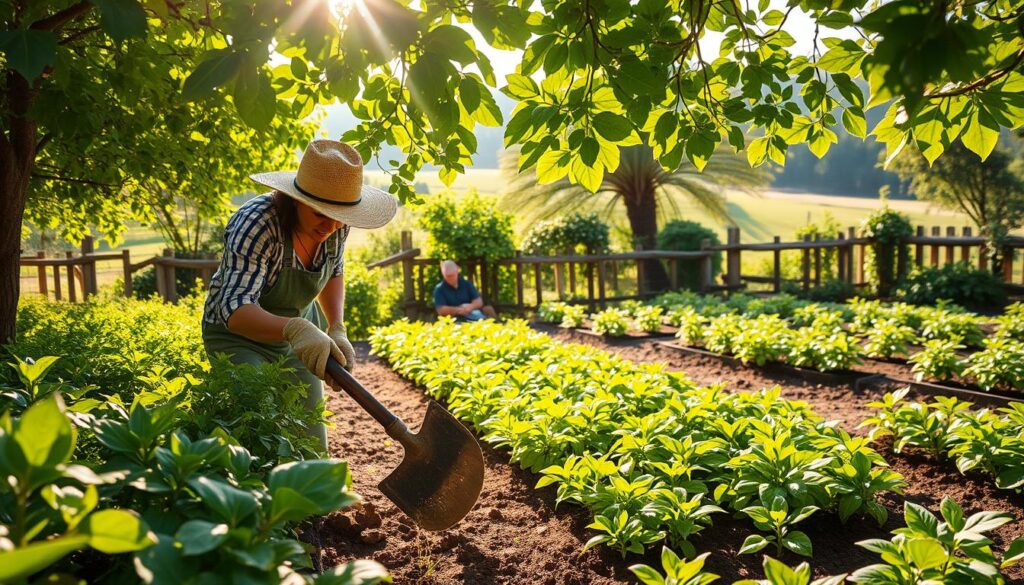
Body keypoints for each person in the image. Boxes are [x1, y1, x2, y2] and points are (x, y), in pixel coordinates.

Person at [202, 139, 397, 452]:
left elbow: (333, 271)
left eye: (339, 216)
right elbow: (234, 308)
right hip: (238, 336)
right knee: (261, 429)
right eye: (322, 213)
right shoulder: (258, 224)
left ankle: (315, 501)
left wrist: (336, 326)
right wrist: (294, 328)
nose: (331, 225)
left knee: (310, 441)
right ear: (295, 200)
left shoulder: (337, 224)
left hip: (302, 334)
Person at [432, 260, 497, 321]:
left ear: (457, 270)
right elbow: (440, 309)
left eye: (452, 275)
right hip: (453, 319)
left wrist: (470, 307)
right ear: (443, 274)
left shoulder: (467, 284)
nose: (450, 278)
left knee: (488, 310)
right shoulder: (439, 289)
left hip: (472, 314)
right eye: (448, 276)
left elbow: (478, 301)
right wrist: (458, 310)